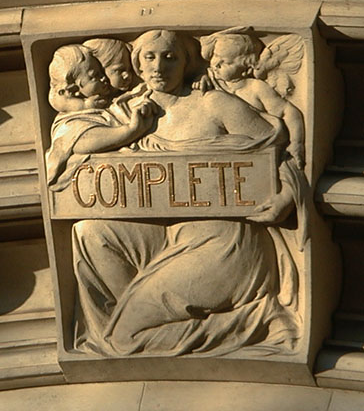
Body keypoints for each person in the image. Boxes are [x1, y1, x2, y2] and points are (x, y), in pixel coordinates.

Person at [69, 29, 307, 357]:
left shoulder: (214, 103)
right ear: (137, 65)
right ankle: (144, 312)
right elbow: (72, 140)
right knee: (90, 231)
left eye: (170, 57)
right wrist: (131, 130)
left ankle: (261, 320)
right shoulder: (129, 111)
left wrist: (285, 197)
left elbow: (277, 152)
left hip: (224, 241)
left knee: (124, 339)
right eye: (149, 57)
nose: (159, 66)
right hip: (169, 236)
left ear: (186, 64)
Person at [46, 43, 155, 191]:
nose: (103, 78)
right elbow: (81, 141)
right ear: (74, 89)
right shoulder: (70, 121)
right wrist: (131, 131)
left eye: (101, 73)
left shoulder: (106, 105)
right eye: (95, 76)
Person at [194, 31, 305, 169]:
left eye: (226, 62)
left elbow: (288, 111)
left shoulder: (256, 88)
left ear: (246, 69)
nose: (216, 64)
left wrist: (296, 142)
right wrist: (200, 79)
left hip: (258, 149)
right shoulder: (211, 80)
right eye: (216, 56)